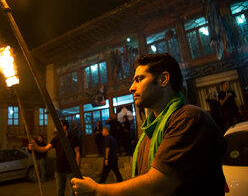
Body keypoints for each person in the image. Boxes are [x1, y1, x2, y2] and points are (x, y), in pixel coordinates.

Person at [71, 53, 226, 195]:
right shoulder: (147, 135)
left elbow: (158, 186)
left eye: (139, 79)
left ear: (163, 79)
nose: (132, 88)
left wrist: (98, 190)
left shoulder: (189, 118)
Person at [29, 120, 80, 196]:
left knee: (73, 192)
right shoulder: (56, 139)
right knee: (60, 192)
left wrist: (77, 168)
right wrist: (35, 147)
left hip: (70, 170)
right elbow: (45, 148)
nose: (56, 128)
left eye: (58, 126)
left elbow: (77, 153)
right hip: (59, 170)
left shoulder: (73, 138)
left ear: (65, 127)